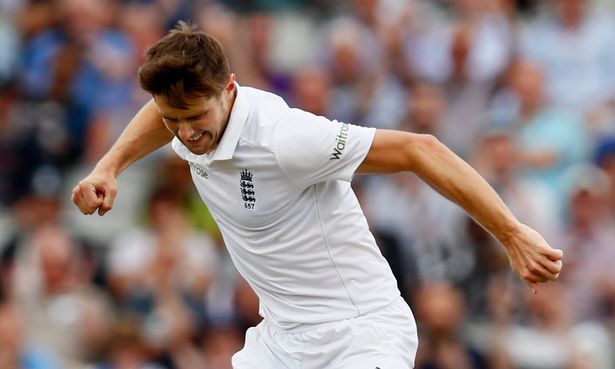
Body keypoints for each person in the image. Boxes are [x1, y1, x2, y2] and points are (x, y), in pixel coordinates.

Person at [72, 22, 563, 369]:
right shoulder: (182, 117)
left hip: (359, 334)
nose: (184, 133)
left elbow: (421, 149)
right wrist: (109, 166)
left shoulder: (287, 137)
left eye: (195, 117)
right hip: (280, 342)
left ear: (230, 89)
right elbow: (158, 116)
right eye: (171, 119)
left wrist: (511, 232)